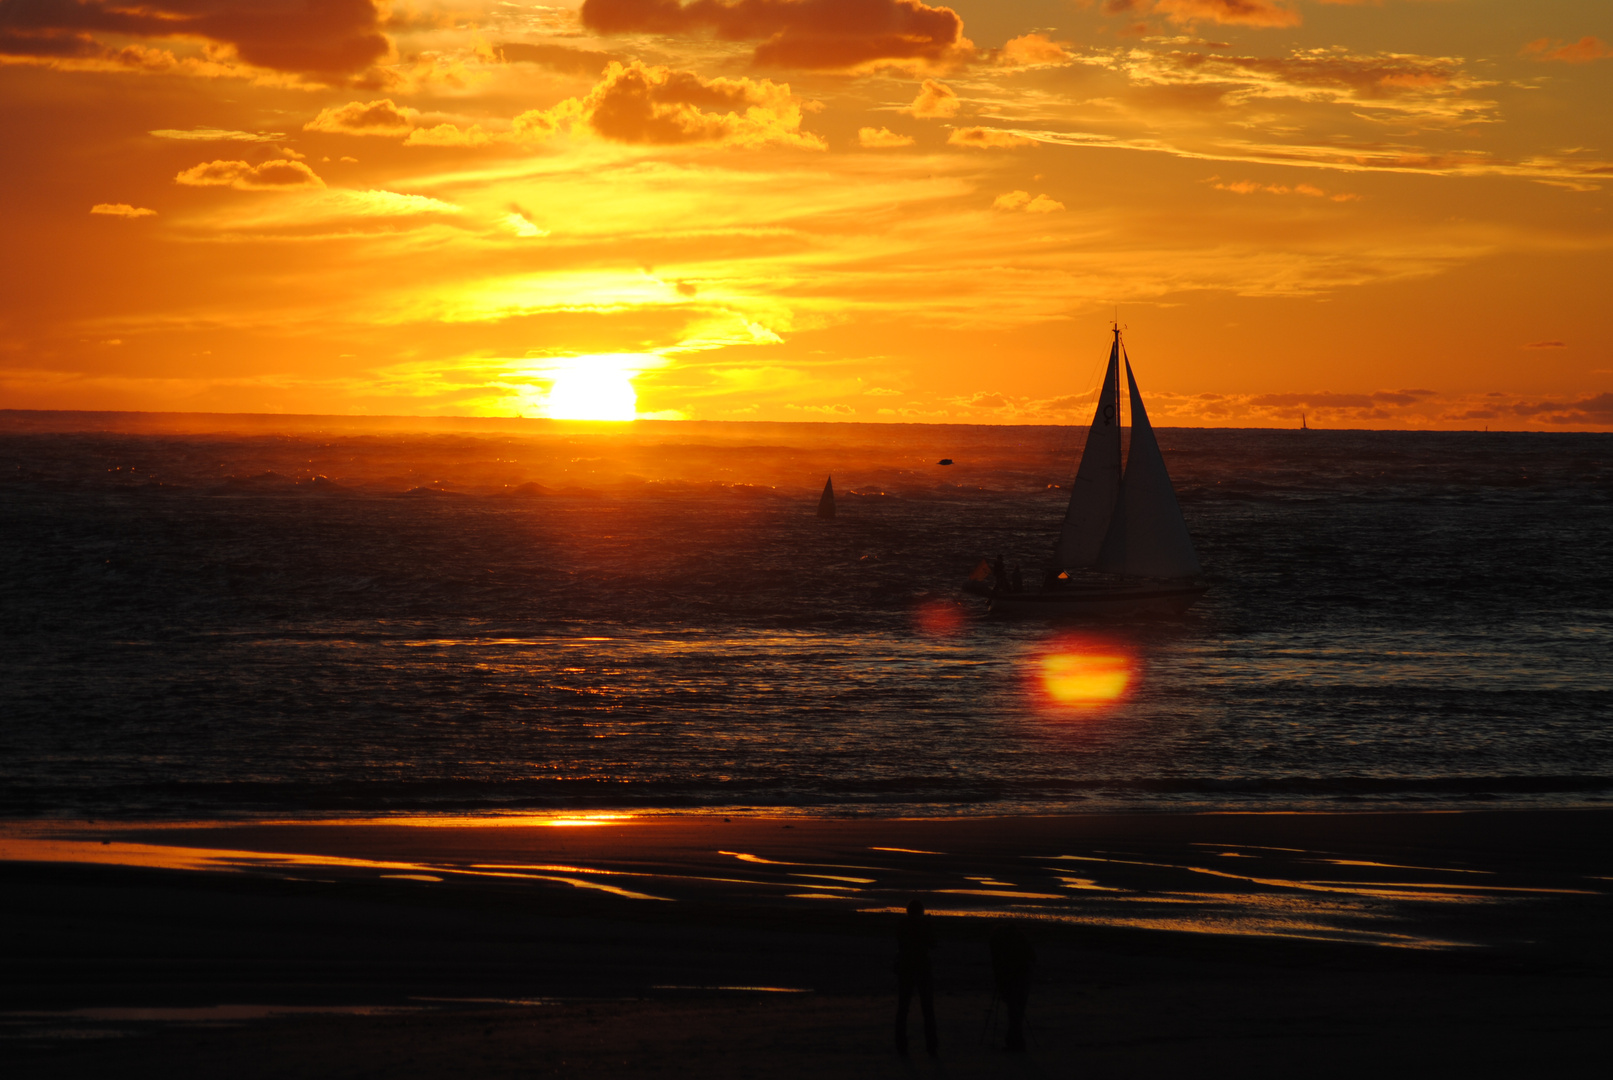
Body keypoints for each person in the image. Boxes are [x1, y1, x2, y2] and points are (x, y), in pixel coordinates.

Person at [894, 898, 938, 1057]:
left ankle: (901, 1046)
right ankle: (931, 1046)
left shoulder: (902, 925)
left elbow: (900, 942)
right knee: (927, 1009)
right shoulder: (923, 926)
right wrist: (930, 925)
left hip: (905, 967)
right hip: (922, 969)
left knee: (903, 1008)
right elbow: (934, 943)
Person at [989, 923, 1035, 1052]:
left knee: (1014, 1010)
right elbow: (1032, 957)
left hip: (1017, 974)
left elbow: (997, 965)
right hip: (1024, 974)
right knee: (1018, 1010)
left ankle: (1015, 1042)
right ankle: (1016, 1041)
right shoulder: (1019, 939)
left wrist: (1000, 983)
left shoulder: (999, 943)